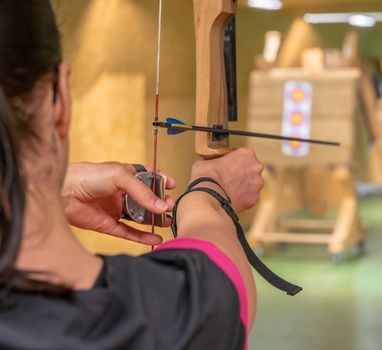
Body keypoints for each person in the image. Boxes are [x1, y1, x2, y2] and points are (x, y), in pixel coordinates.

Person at [0, 1, 263, 349]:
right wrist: (209, 192)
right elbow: (219, 275)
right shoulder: (170, 317)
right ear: (60, 99)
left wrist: (53, 191)